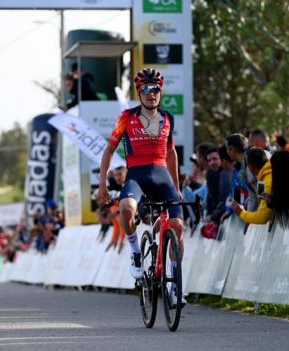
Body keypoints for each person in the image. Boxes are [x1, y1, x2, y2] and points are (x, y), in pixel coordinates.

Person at [97, 68, 185, 305]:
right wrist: (102, 184)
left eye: (155, 89)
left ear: (160, 92)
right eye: (145, 89)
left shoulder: (168, 117)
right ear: (139, 92)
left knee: (177, 226)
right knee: (126, 210)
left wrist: (176, 187)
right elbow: (109, 150)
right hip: (136, 174)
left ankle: (176, 285)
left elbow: (171, 152)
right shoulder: (127, 117)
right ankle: (136, 253)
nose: (151, 93)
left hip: (162, 175)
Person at [230, 148, 273, 225]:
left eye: (247, 165)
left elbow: (262, 218)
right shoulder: (262, 180)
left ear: (251, 166)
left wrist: (241, 213)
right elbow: (260, 205)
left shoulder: (267, 182)